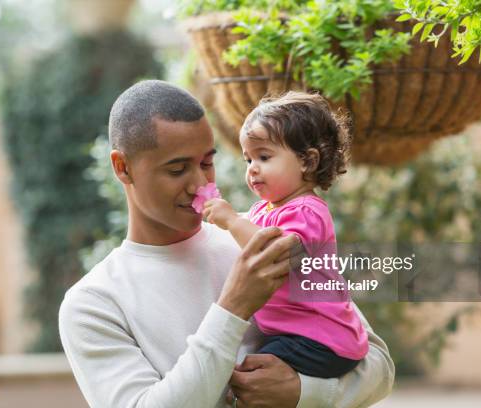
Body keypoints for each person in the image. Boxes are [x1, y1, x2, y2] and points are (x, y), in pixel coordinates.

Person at [58, 80, 395, 408]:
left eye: (207, 162)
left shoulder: (261, 233)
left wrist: (302, 393)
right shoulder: (93, 304)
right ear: (123, 167)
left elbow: (376, 362)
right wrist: (233, 306)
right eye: (177, 170)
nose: (200, 184)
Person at [203, 91, 366, 380]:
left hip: (322, 339)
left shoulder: (308, 212)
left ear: (307, 161)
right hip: (300, 334)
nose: (252, 168)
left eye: (264, 156)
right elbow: (251, 226)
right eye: (248, 159)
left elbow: (276, 253)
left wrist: (230, 220)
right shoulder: (264, 210)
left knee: (250, 375)